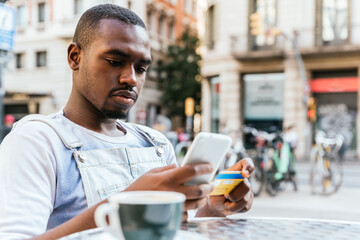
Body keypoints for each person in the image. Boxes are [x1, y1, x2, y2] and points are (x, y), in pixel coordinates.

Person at [0, 4, 254, 240]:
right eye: (114, 62)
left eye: (141, 68)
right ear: (75, 57)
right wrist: (128, 203)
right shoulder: (37, 141)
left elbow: (172, 231)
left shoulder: (156, 143)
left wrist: (212, 207)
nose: (131, 79)